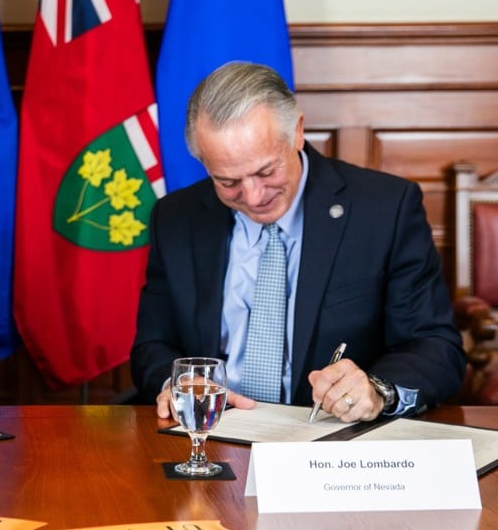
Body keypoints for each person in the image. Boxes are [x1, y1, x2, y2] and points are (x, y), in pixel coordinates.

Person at [131, 61, 465, 422]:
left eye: (266, 171)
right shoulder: (176, 217)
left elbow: (435, 346)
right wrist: (177, 384)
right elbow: (153, 345)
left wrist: (377, 389)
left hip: (331, 439)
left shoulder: (385, 210)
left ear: (297, 133)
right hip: (210, 433)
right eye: (228, 182)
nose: (254, 196)